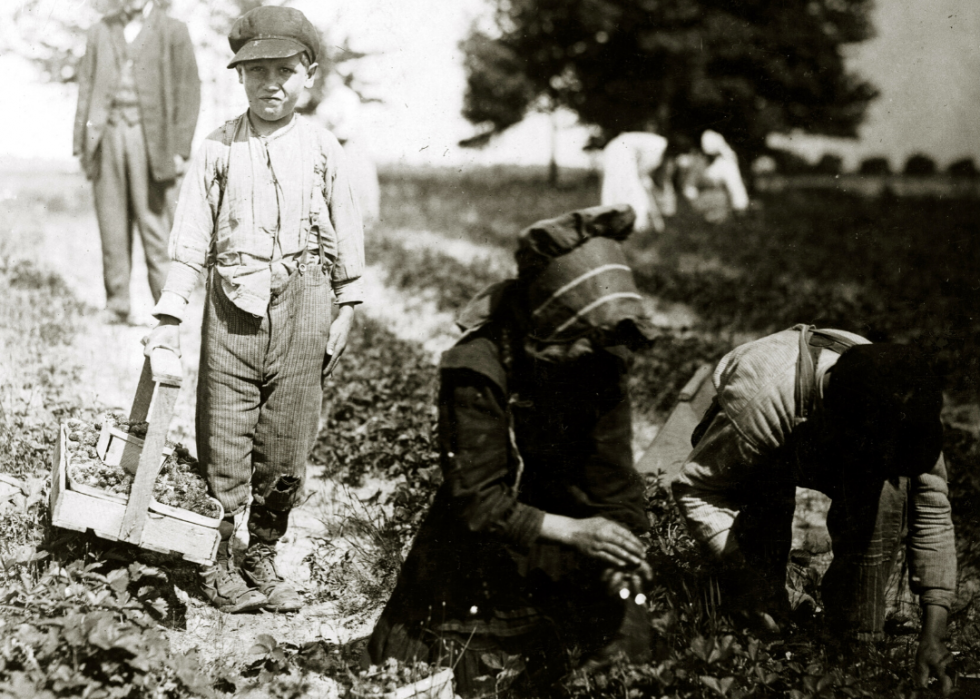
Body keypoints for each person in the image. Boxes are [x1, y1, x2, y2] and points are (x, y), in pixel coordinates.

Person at [364, 204, 657, 697]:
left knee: (625, 653)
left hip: (569, 531)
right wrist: (575, 534)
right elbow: (477, 500)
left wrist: (620, 548)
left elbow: (614, 478)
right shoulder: (478, 366)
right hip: (488, 536)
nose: (589, 356)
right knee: (466, 668)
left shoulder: (603, 356)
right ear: (547, 320)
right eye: (578, 342)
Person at [142, 6, 365, 614]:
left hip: (307, 304)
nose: (272, 83)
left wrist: (348, 305)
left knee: (289, 438)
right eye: (257, 70)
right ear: (240, 77)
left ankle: (262, 555)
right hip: (233, 306)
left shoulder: (323, 149)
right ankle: (216, 559)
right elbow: (189, 239)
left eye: (285, 71)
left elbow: (347, 233)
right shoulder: (217, 148)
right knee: (225, 433)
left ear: (309, 75)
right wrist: (169, 316)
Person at [671, 326, 957, 695]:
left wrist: (934, 633)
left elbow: (932, 510)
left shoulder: (905, 403)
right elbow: (696, 489)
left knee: (888, 495)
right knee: (761, 583)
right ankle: (768, 626)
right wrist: (743, 573)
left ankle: (852, 641)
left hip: (843, 429)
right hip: (774, 427)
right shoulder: (761, 401)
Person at [73, 0, 201, 325]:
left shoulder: (174, 30)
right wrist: (82, 146)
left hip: (152, 142)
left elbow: (189, 91)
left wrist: (181, 149)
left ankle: (167, 309)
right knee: (112, 224)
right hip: (107, 138)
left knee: (156, 227)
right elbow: (86, 89)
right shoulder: (100, 30)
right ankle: (117, 305)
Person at [315, 72, 381, 229]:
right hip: (331, 147)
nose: (328, 81)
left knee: (352, 183)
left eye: (332, 78)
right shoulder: (330, 97)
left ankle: (355, 223)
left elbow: (347, 129)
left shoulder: (346, 96)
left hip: (347, 149)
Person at [600, 132, 675, 234]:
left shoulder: (659, 143)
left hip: (613, 151)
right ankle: (638, 223)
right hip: (621, 152)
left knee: (618, 188)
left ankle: (617, 222)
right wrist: (645, 178)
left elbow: (643, 169)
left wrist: (645, 178)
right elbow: (643, 169)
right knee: (631, 189)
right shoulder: (659, 147)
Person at [697, 130, 750, 214]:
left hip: (721, 200)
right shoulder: (702, 162)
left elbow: (735, 185)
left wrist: (740, 206)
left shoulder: (726, 163)